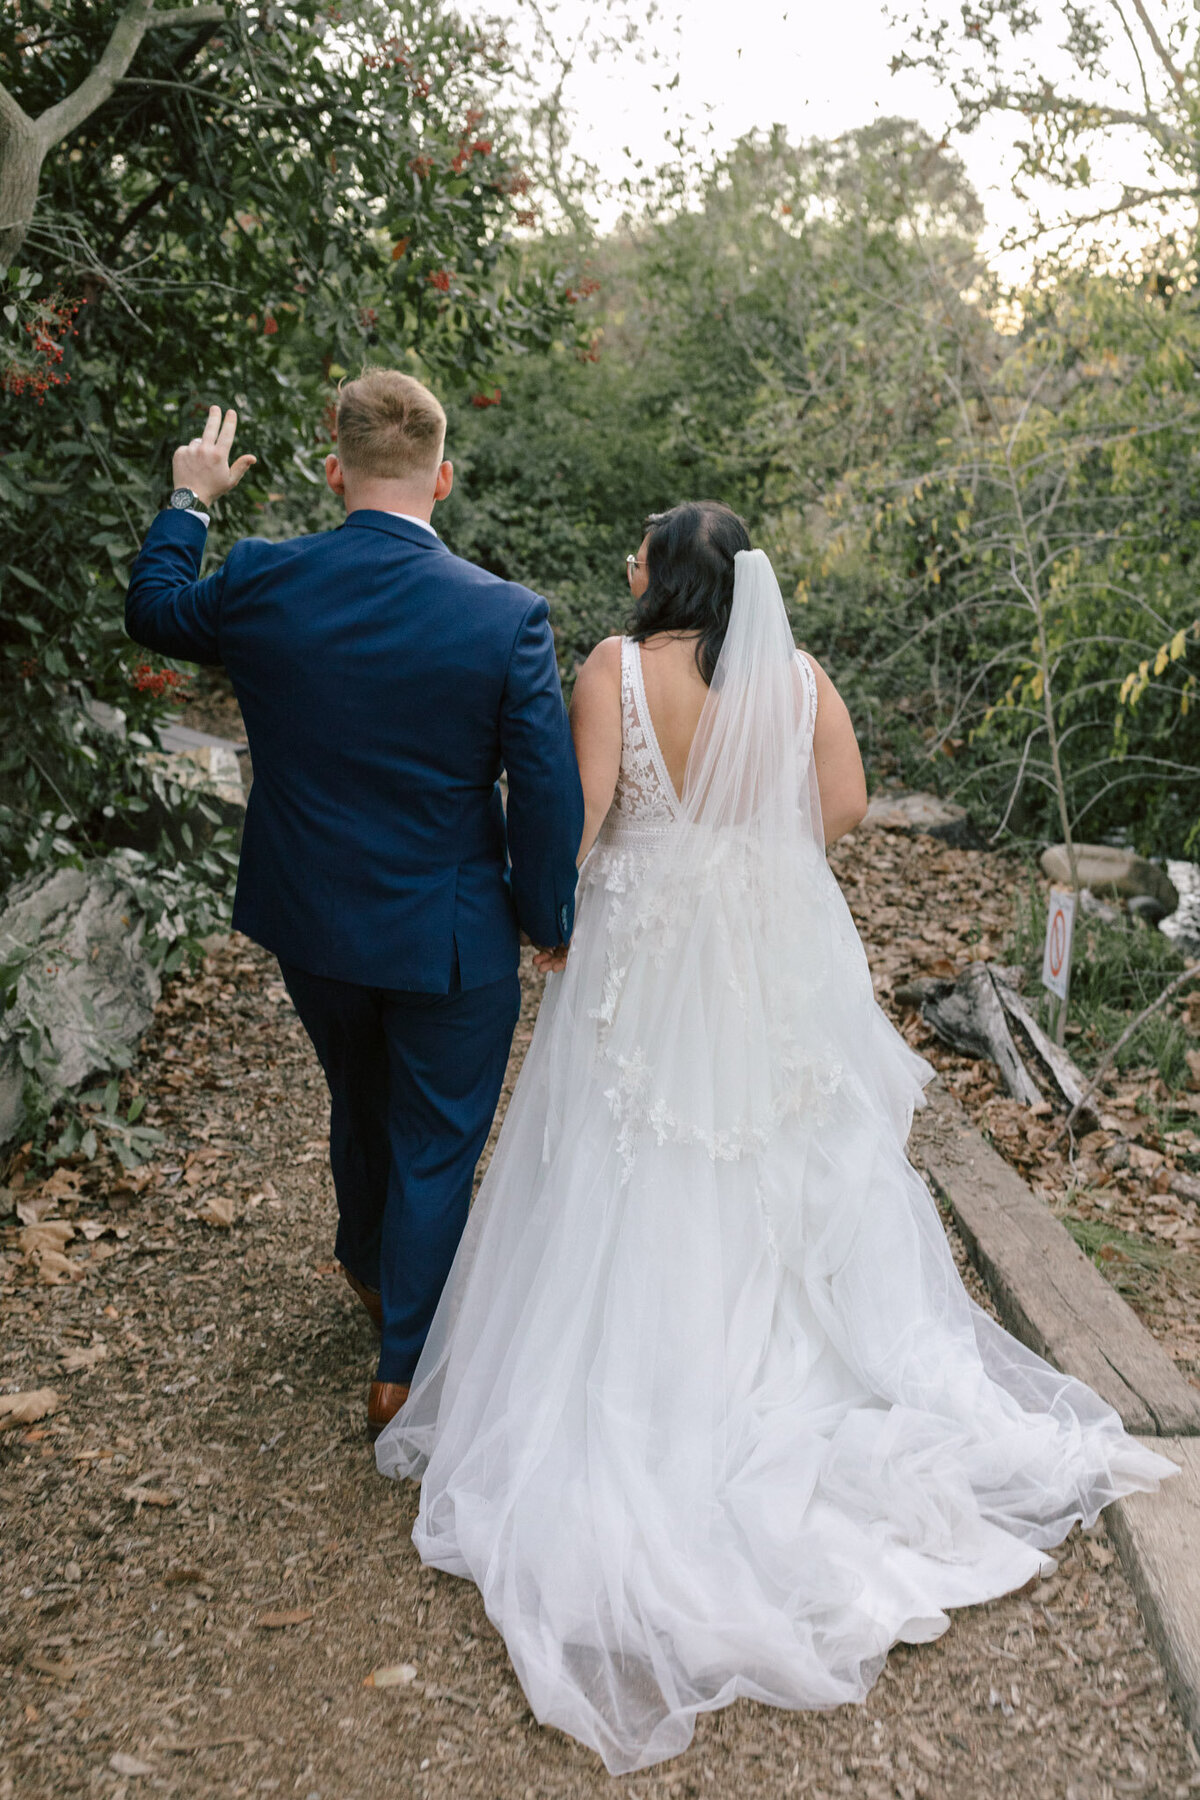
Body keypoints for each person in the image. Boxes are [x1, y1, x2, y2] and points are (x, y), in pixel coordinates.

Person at [375, 501, 1176, 1775]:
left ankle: (638, 1383)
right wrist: (745, 850)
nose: (626, 565)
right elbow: (845, 805)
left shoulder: (611, 669)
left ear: (667, 576)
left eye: (639, 550)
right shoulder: (794, 675)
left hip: (638, 949)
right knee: (773, 1152)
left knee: (622, 1156)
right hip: (754, 952)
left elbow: (576, 817)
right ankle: (791, 1375)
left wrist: (575, 904)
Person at [125, 373, 583, 1440]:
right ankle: (403, 1368)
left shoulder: (262, 580)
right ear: (446, 479)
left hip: (313, 923)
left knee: (358, 1087)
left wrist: (191, 499)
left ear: (335, 472)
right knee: (434, 1139)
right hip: (450, 930)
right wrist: (546, 916)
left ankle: (369, 1265)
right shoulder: (505, 616)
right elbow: (545, 790)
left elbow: (152, 610)